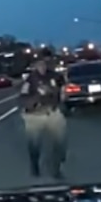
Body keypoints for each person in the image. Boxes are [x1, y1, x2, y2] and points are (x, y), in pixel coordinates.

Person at [19, 49, 67, 179]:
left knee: (60, 142)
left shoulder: (56, 76)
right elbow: (23, 99)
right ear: (34, 66)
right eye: (39, 64)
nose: (42, 66)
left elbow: (63, 91)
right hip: (34, 115)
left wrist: (61, 95)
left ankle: (56, 168)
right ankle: (35, 165)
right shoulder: (30, 80)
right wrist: (38, 95)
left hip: (52, 112)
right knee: (34, 144)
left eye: (44, 63)